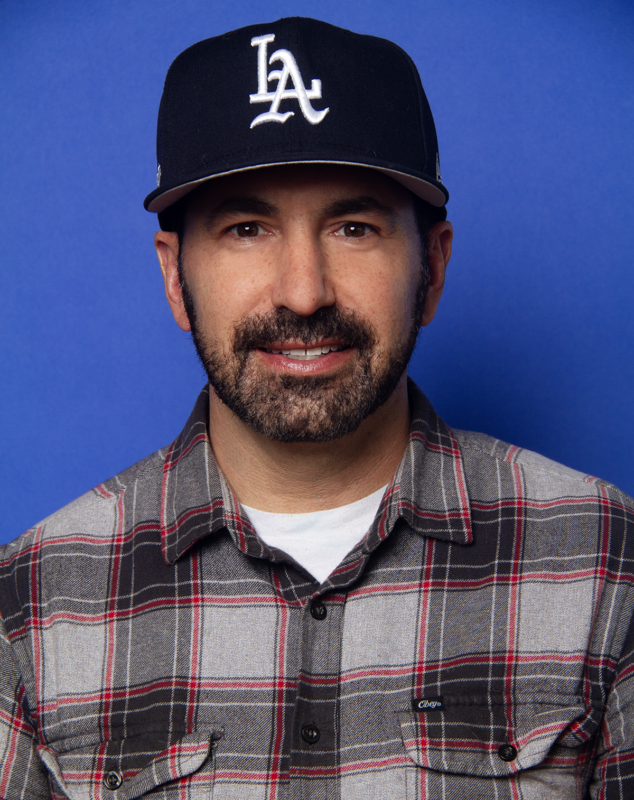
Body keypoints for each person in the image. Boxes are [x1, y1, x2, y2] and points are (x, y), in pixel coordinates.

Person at [1, 16, 632, 799]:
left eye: (354, 227)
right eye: (246, 228)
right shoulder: (33, 602)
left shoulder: (606, 560)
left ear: (433, 270)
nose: (304, 292)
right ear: (174, 278)